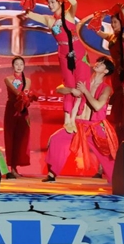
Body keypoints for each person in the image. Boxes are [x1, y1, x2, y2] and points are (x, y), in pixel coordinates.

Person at [22, 0, 91, 133]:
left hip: (79, 54)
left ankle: (74, 118)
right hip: (64, 55)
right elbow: (28, 14)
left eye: (52, 2)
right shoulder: (49, 20)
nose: (50, 5)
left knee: (81, 85)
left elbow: (74, 2)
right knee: (69, 86)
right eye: (48, 3)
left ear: (60, 1)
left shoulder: (69, 15)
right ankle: (67, 119)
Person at [43, 56, 118, 184]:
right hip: (77, 125)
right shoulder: (82, 81)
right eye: (98, 61)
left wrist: (85, 91)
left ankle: (115, 179)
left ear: (106, 71)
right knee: (56, 139)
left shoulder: (106, 88)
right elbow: (59, 88)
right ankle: (51, 174)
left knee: (107, 153)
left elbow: (97, 106)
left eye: (102, 63)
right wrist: (72, 90)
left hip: (95, 126)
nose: (97, 64)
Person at [89, 3, 124, 140]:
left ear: (121, 23)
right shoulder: (110, 37)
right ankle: (118, 128)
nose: (113, 25)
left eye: (115, 22)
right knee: (117, 97)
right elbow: (95, 29)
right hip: (116, 71)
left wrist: (122, 10)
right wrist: (101, 16)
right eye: (112, 22)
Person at [3, 56, 36, 179]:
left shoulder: (27, 80)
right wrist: (26, 96)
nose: (19, 66)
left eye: (21, 64)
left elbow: (25, 94)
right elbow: (17, 93)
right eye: (16, 64)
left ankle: (16, 167)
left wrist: (29, 97)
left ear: (24, 66)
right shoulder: (8, 79)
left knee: (21, 139)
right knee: (10, 138)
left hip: (23, 110)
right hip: (12, 109)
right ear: (13, 66)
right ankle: (11, 168)